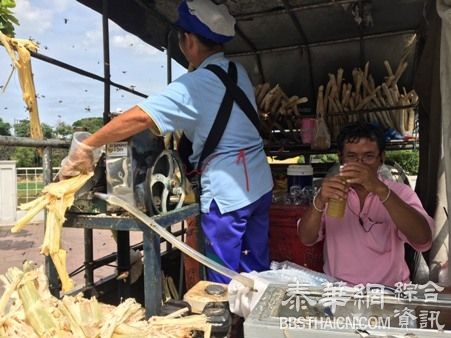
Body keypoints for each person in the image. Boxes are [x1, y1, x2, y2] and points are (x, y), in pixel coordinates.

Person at [59, 0, 273, 284]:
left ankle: (227, 325)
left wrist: (88, 145)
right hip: (259, 185)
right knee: (256, 268)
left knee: (224, 279)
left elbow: (140, 118)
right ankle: (257, 324)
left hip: (228, 195)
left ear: (188, 40)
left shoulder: (196, 84)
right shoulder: (237, 72)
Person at [297, 122, 434, 286]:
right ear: (341, 158)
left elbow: (423, 240)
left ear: (381, 158)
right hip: (340, 292)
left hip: (389, 294)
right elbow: (306, 238)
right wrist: (319, 201)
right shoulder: (332, 191)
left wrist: (381, 191)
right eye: (352, 157)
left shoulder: (400, 192)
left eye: (368, 156)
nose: (360, 164)